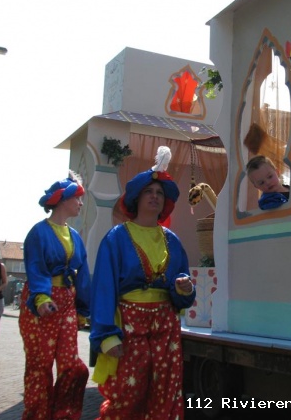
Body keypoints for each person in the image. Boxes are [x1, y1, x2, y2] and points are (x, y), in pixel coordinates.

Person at [90, 146, 196, 420]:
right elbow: (103, 289)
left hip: (166, 326)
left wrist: (184, 288)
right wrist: (106, 336)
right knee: (127, 396)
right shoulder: (116, 238)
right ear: (137, 197)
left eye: (160, 192)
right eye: (149, 191)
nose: (155, 196)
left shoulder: (173, 240)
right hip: (129, 326)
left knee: (166, 395)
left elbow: (182, 292)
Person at [19, 171, 91, 420]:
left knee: (71, 365)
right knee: (39, 366)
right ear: (63, 199)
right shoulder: (38, 233)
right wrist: (41, 297)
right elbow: (35, 267)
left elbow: (83, 275)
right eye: (78, 198)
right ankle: (37, 415)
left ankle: (64, 414)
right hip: (41, 303)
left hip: (67, 303)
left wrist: (82, 310)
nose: (81, 204)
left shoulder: (76, 237)